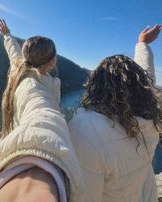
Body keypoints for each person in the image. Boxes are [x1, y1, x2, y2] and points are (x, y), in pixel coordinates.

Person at [0, 19, 83, 202]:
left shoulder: (20, 67)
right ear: (52, 62)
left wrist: (7, 35)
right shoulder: (36, 88)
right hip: (24, 139)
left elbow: (14, 52)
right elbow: (41, 113)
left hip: (15, 133)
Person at [68, 24, 162, 202]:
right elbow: (147, 75)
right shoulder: (147, 117)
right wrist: (142, 45)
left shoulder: (86, 129)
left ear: (97, 85)